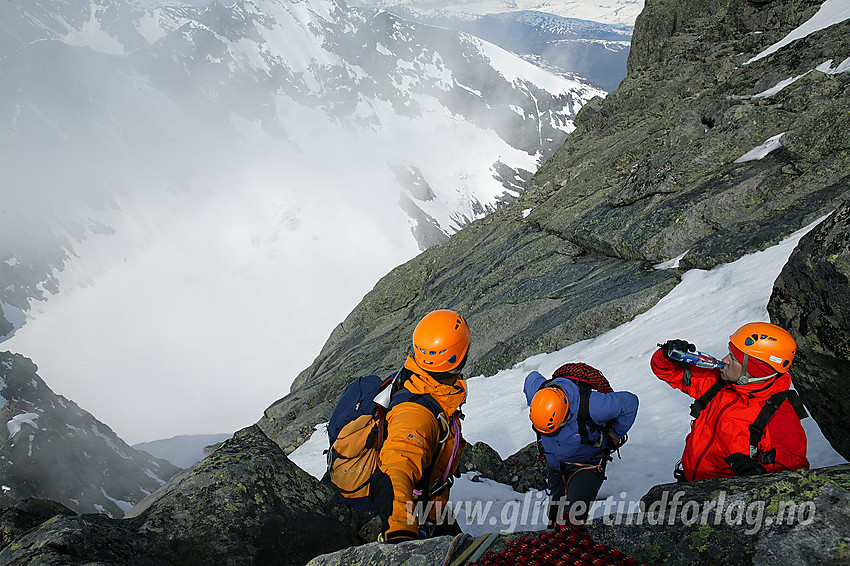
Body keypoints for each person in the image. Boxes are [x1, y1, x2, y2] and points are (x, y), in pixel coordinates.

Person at [652, 321, 809, 482]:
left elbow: (793, 476)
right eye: (729, 352)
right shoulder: (718, 383)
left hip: (727, 498)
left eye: (733, 358)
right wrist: (666, 356)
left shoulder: (778, 416)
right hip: (690, 483)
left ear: (755, 369)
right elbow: (667, 372)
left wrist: (759, 476)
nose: (724, 360)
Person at [374, 309, 469, 543]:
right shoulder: (416, 413)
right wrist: (401, 533)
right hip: (420, 513)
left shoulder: (425, 383)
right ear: (459, 356)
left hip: (432, 505)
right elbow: (397, 467)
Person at [524, 363, 638, 525]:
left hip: (587, 463)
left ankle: (569, 540)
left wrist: (615, 434)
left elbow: (630, 402)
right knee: (555, 516)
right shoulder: (538, 393)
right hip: (556, 464)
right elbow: (531, 377)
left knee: (572, 519)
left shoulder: (593, 405)